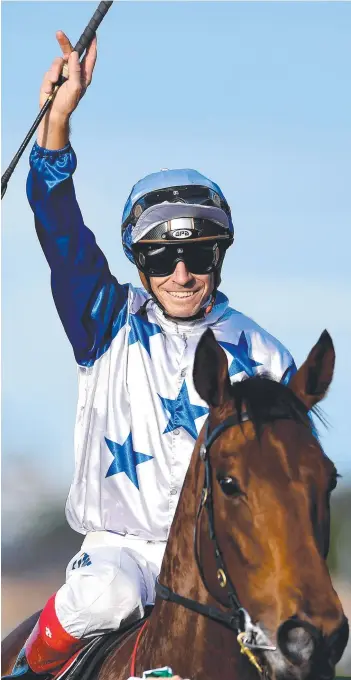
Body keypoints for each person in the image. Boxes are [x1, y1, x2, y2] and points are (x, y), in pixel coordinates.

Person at [11, 30, 296, 678]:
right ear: (138, 264)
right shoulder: (104, 320)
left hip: (232, 554)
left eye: (196, 254)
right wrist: (57, 121)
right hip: (124, 551)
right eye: (160, 257)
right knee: (99, 596)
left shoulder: (266, 354)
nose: (180, 272)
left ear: (218, 256)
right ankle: (25, 669)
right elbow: (60, 231)